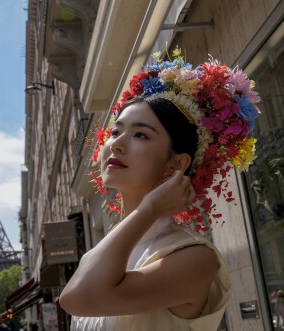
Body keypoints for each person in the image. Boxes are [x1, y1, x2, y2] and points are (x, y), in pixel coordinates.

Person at [59, 48, 261, 330]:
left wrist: (149, 209)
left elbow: (77, 298)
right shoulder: (112, 248)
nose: (116, 144)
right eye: (116, 131)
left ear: (175, 164)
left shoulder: (194, 258)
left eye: (140, 134)